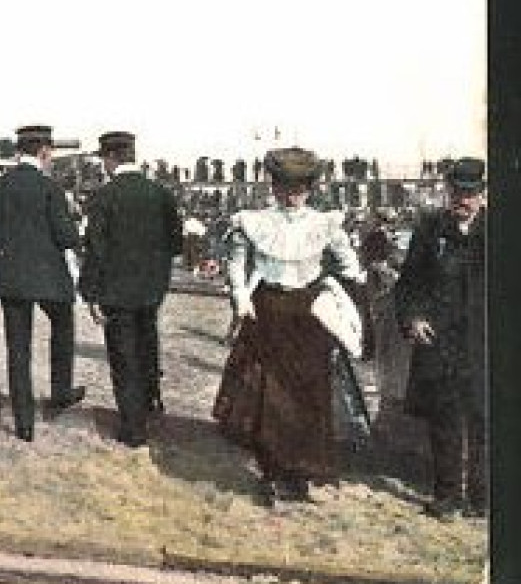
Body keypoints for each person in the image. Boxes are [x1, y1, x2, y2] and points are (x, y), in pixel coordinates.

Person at [212, 147, 367, 507]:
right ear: (274, 186)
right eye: (284, 187)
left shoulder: (325, 223)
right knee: (268, 393)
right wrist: (241, 297)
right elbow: (236, 265)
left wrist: (352, 290)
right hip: (267, 309)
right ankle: (271, 471)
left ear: (310, 188)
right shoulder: (253, 221)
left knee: (307, 394)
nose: (292, 195)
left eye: (299, 188)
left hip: (308, 314)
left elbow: (348, 264)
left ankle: (299, 473)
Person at [0, 124, 83, 442]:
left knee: (17, 349)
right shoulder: (51, 189)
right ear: (44, 151)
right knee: (63, 325)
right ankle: (60, 392)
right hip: (49, 277)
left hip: (12, 277)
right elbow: (67, 238)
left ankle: (24, 423)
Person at [77, 131, 183, 448]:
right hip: (151, 289)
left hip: (116, 291)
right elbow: (176, 245)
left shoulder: (103, 197)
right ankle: (151, 405)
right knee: (147, 344)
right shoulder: (161, 194)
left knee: (124, 357)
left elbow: (95, 249)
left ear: (110, 159)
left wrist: (91, 293)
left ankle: (133, 427)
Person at [396, 157, 487, 519]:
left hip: (485, 342)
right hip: (441, 342)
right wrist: (414, 318)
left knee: (486, 420)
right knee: (444, 419)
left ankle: (484, 498)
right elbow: (408, 285)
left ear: (482, 194)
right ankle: (447, 496)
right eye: (456, 193)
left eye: (470, 194)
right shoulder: (430, 229)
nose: (462, 201)